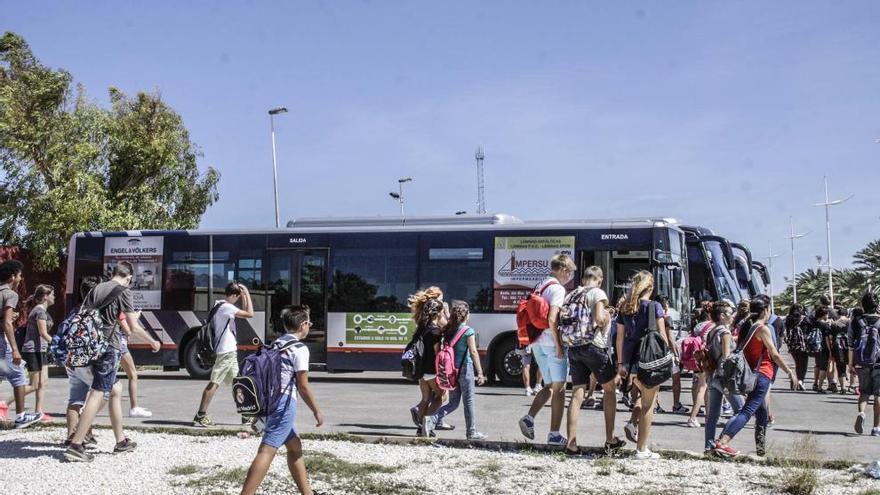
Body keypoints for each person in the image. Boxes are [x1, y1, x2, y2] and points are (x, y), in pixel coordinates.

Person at [64, 262, 162, 462]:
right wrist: (152, 340)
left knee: (115, 389)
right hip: (109, 347)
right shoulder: (124, 290)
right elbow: (132, 327)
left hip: (92, 346)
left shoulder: (98, 288)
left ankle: (121, 441)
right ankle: (77, 442)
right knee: (98, 393)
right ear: (129, 277)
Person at [241, 305, 323, 495]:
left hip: (268, 401)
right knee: (267, 450)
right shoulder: (299, 349)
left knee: (295, 447)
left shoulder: (276, 343)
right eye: (309, 323)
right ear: (303, 325)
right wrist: (316, 410)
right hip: (283, 403)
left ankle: (307, 493)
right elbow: (303, 386)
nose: (309, 326)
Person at [713, 298, 797, 458]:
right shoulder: (762, 329)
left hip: (753, 375)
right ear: (766, 310)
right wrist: (790, 372)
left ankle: (761, 450)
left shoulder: (750, 327)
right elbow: (774, 353)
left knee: (762, 413)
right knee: (747, 411)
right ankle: (723, 442)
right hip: (763, 375)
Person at [564, 266, 626, 455]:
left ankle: (571, 443)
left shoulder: (571, 294)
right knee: (609, 390)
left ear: (583, 279)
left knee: (576, 394)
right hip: (593, 346)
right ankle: (610, 439)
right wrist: (608, 316)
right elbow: (599, 319)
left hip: (574, 347)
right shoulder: (597, 292)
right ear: (599, 280)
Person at [518, 253, 576, 446]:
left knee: (549, 386)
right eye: (569, 272)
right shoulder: (557, 289)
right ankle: (554, 435)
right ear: (562, 270)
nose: (569, 277)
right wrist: (559, 345)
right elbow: (552, 319)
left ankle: (529, 418)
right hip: (552, 343)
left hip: (536, 343)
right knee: (559, 389)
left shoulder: (540, 285)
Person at [616, 270, 668, 460]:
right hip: (651, 360)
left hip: (631, 362)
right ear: (651, 287)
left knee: (641, 399)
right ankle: (641, 449)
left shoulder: (625, 308)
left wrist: (621, 363)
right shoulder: (655, 307)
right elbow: (662, 336)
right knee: (648, 406)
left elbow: (620, 337)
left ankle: (635, 431)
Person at [193, 282, 254, 427]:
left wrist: (243, 294)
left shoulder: (220, 305)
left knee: (237, 383)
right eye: (237, 297)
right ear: (233, 295)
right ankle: (201, 415)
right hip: (226, 352)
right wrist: (247, 294)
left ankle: (245, 415)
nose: (237, 300)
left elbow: (244, 311)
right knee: (214, 382)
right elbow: (250, 314)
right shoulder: (226, 307)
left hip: (229, 352)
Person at [429, 301, 487, 440]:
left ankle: (431, 419)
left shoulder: (449, 329)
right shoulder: (468, 331)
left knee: (453, 403)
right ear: (466, 315)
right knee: (469, 401)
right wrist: (480, 372)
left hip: (451, 371)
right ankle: (471, 432)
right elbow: (473, 351)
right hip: (465, 369)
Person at [0, 260, 42, 428]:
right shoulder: (10, 294)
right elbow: (8, 324)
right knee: (18, 375)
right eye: (19, 275)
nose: (20, 278)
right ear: (12, 276)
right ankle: (21, 416)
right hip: (1, 342)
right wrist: (15, 350)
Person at [64, 276, 102, 447]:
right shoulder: (95, 312)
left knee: (75, 400)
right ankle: (82, 430)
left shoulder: (75, 311)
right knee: (102, 394)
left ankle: (71, 435)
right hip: (87, 361)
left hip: (71, 360)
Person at [702, 301, 745, 453]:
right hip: (724, 377)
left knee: (713, 414)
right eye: (729, 313)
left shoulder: (712, 331)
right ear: (722, 316)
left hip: (712, 377)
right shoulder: (725, 333)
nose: (732, 316)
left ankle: (709, 446)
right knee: (741, 410)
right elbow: (727, 357)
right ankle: (721, 442)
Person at [407, 287, 450, 437]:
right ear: (437, 313)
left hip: (420, 371)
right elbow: (438, 354)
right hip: (432, 370)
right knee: (441, 396)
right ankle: (427, 422)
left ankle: (420, 427)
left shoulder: (421, 328)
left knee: (425, 399)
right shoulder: (435, 332)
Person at [10, 284, 55, 421]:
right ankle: (5, 403)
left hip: (41, 349)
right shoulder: (40, 311)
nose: (54, 297)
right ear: (46, 296)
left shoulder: (41, 310)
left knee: (43, 382)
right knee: (34, 384)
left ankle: (39, 412)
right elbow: (43, 333)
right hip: (33, 350)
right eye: (52, 294)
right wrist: (59, 344)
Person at [850, 292, 880, 436]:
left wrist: (851, 364)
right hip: (878, 363)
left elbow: (850, 343)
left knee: (864, 392)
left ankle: (861, 413)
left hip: (861, 362)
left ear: (863, 305)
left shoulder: (856, 321)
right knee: (878, 395)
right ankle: (876, 428)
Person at [655, 295, 687, 415]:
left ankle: (655, 404)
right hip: (667, 352)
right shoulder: (666, 318)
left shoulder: (652, 318)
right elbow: (670, 337)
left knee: (656, 380)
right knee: (676, 379)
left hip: (656, 351)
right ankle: (676, 404)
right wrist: (676, 353)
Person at [117, 314, 152, 417]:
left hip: (112, 344)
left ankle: (85, 405)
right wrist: (153, 342)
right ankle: (134, 408)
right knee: (132, 374)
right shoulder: (118, 308)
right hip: (119, 344)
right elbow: (130, 330)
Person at [685, 305, 713, 427]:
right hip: (706, 359)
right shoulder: (712, 326)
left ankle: (708, 416)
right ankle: (693, 417)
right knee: (703, 387)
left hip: (696, 359)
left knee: (703, 387)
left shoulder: (698, 325)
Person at [784, 304, 810, 390]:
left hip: (792, 345)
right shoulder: (804, 319)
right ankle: (800, 381)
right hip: (803, 344)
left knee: (797, 363)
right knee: (803, 364)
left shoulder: (788, 319)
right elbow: (809, 329)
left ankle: (795, 380)